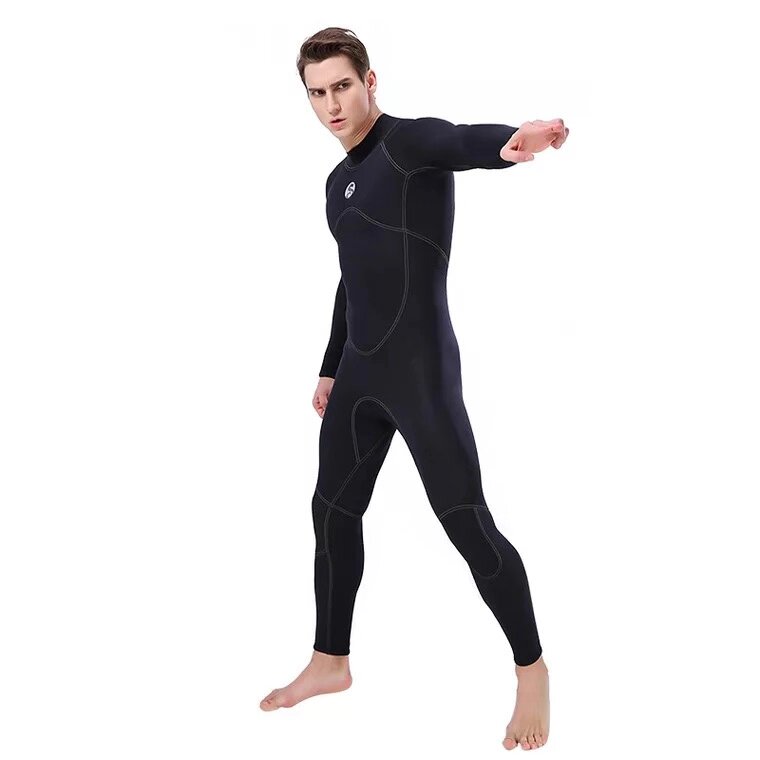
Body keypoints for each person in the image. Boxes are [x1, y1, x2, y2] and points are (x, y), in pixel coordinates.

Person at [260, 27, 568, 752]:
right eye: (317, 93)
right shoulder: (335, 185)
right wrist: (331, 365)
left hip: (420, 370)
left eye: (343, 86)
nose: (332, 105)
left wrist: (515, 140)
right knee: (331, 510)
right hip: (360, 373)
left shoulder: (411, 142)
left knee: (464, 520)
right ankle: (330, 660)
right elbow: (352, 276)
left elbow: (464, 141)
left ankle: (532, 668)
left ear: (370, 81)